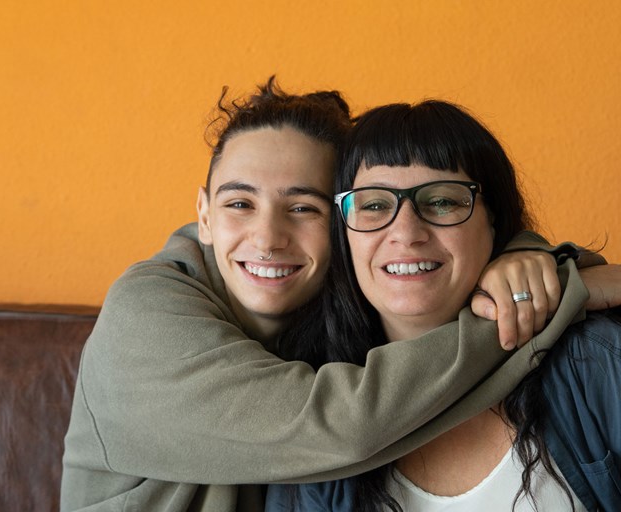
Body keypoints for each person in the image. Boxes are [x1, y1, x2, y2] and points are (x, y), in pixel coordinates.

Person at [60, 79, 599, 512]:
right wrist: (552, 296)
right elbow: (336, 426)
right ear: (203, 215)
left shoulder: (329, 312)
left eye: (303, 208)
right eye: (239, 204)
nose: (268, 238)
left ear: (344, 225)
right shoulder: (144, 314)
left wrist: (525, 259)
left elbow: (436, 238)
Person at [266, 100, 621, 511]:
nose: (406, 232)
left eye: (442, 202)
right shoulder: (305, 402)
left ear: (495, 220)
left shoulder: (594, 364)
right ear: (342, 233)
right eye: (375, 204)